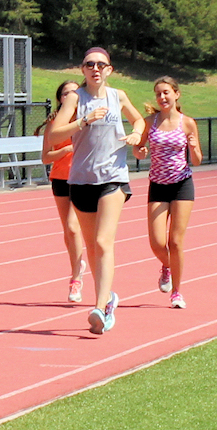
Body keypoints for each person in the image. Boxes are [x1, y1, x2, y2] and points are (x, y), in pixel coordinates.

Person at [43, 47, 144, 334]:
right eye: (90, 64)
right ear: (83, 69)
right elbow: (55, 134)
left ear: (110, 70)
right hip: (81, 179)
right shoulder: (76, 98)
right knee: (90, 244)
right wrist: (83, 120)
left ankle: (101, 307)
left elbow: (137, 119)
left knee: (102, 241)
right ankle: (108, 296)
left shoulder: (118, 96)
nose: (96, 69)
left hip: (113, 176)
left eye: (101, 64)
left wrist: (136, 133)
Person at [133, 77, 202, 309]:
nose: (162, 98)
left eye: (166, 93)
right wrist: (140, 151)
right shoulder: (149, 121)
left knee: (175, 241)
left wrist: (192, 147)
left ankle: (177, 292)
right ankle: (168, 266)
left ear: (176, 94)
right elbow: (138, 149)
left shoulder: (188, 123)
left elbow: (198, 160)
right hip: (158, 185)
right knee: (156, 242)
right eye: (158, 94)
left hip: (182, 184)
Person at [39, 81, 87, 302]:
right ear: (60, 98)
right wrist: (66, 150)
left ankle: (76, 278)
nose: (71, 96)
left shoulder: (87, 120)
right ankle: (77, 263)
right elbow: (45, 157)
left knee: (73, 227)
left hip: (82, 178)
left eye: (75, 92)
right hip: (59, 178)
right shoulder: (54, 124)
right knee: (68, 233)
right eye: (66, 93)